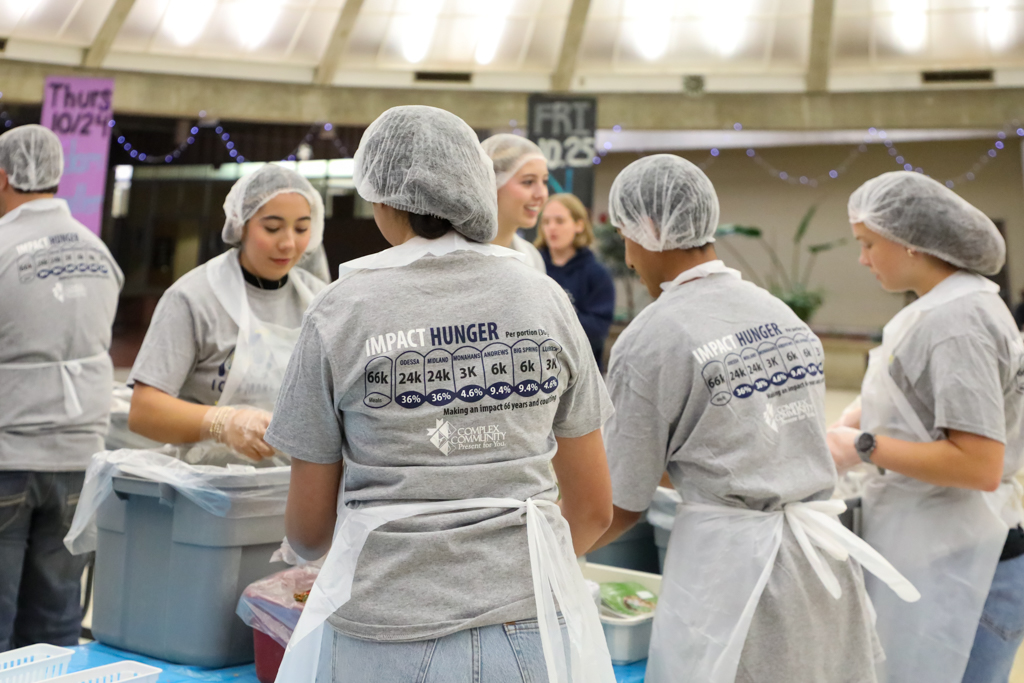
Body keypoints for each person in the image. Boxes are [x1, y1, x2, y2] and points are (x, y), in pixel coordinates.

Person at [264, 105, 617, 683]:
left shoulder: (342, 308)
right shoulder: (543, 298)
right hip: (529, 626)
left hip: (385, 626)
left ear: (379, 196)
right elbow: (594, 509)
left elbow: (307, 533)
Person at [589, 154, 919, 683]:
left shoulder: (651, 338)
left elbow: (620, 502)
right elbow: (745, 444)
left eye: (626, 238)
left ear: (648, 231)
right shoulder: (776, 312)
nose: (627, 259)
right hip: (819, 565)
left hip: (734, 575)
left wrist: (546, 552)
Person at [827, 171, 1024, 683]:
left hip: (968, 559)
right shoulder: (948, 306)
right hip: (942, 546)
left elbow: (979, 463)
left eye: (868, 244)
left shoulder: (956, 321)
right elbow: (927, 405)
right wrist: (867, 417)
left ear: (912, 243)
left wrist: (865, 445)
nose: (863, 259)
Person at [0, 124, 123, 650]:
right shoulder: (99, 252)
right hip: (79, 458)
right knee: (55, 624)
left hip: (8, 454)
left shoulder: (2, 248)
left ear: (2, 177)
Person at [126, 164, 327, 460]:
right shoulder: (194, 298)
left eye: (301, 228)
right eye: (272, 228)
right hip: (209, 491)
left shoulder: (321, 301)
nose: (288, 243)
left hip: (292, 489)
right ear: (240, 225)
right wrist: (222, 424)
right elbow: (144, 411)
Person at [536, 194, 615, 367]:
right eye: (546, 221)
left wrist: (550, 321)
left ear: (579, 225)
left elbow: (597, 330)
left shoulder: (597, 274)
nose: (551, 228)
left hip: (582, 370)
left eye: (560, 221)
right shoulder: (532, 266)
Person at [481, 133, 548, 272]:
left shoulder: (532, 257)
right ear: (493, 183)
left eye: (545, 181)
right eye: (528, 182)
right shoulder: (456, 254)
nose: (541, 194)